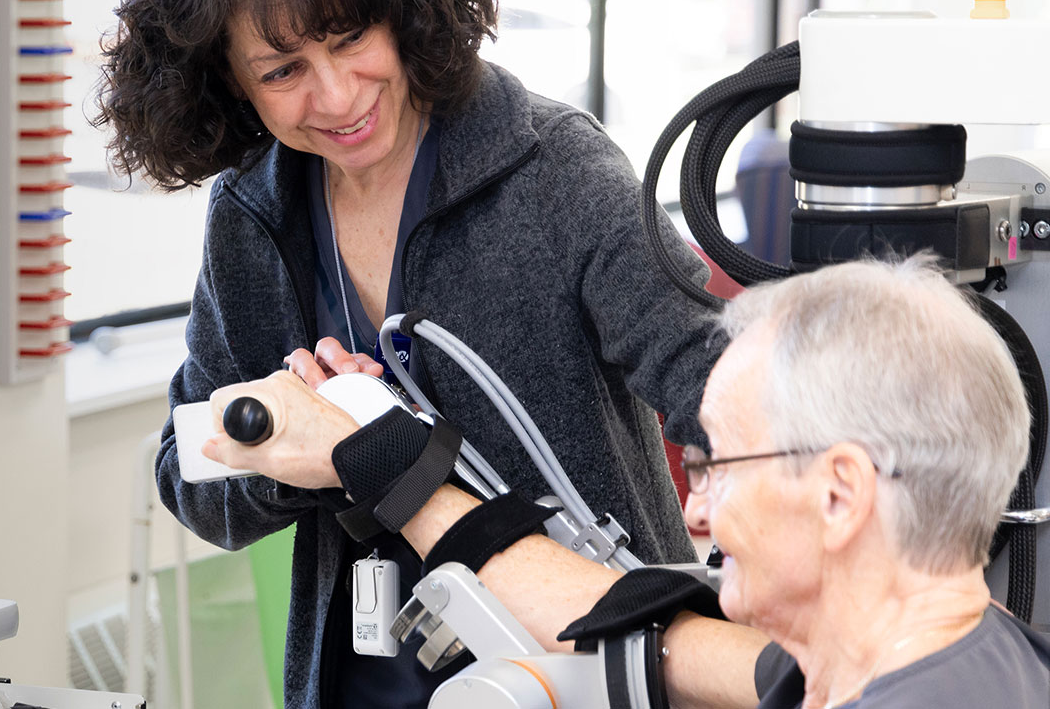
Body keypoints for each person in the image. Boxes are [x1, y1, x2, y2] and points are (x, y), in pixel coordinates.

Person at [95, 0, 724, 706]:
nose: (335, 96)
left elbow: (720, 390)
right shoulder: (253, 215)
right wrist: (306, 445)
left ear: (404, 9)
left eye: (351, 37)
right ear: (229, 80)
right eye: (282, 70)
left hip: (583, 664)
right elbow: (190, 475)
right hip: (365, 680)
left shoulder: (556, 168)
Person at [205, 257, 1050, 708]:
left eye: (717, 462)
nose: (694, 507)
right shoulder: (961, 651)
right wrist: (382, 456)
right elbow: (586, 605)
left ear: (840, 495)